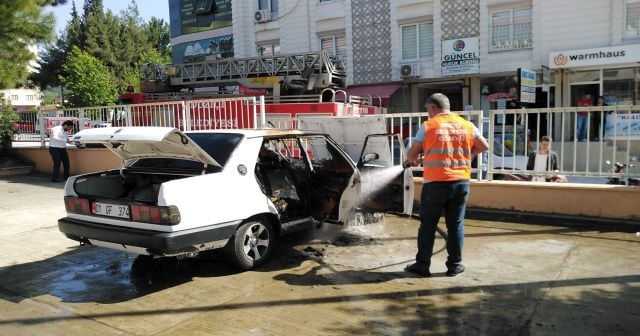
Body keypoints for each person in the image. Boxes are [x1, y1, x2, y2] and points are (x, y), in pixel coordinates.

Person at [403, 93, 490, 277]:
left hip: (435, 183)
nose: (428, 113)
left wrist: (417, 159)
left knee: (427, 225)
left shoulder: (429, 125)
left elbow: (410, 156)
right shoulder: (467, 125)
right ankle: (455, 265)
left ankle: (422, 265)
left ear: (433, 108)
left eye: (428, 110)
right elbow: (484, 146)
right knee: (456, 225)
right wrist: (468, 156)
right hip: (461, 182)